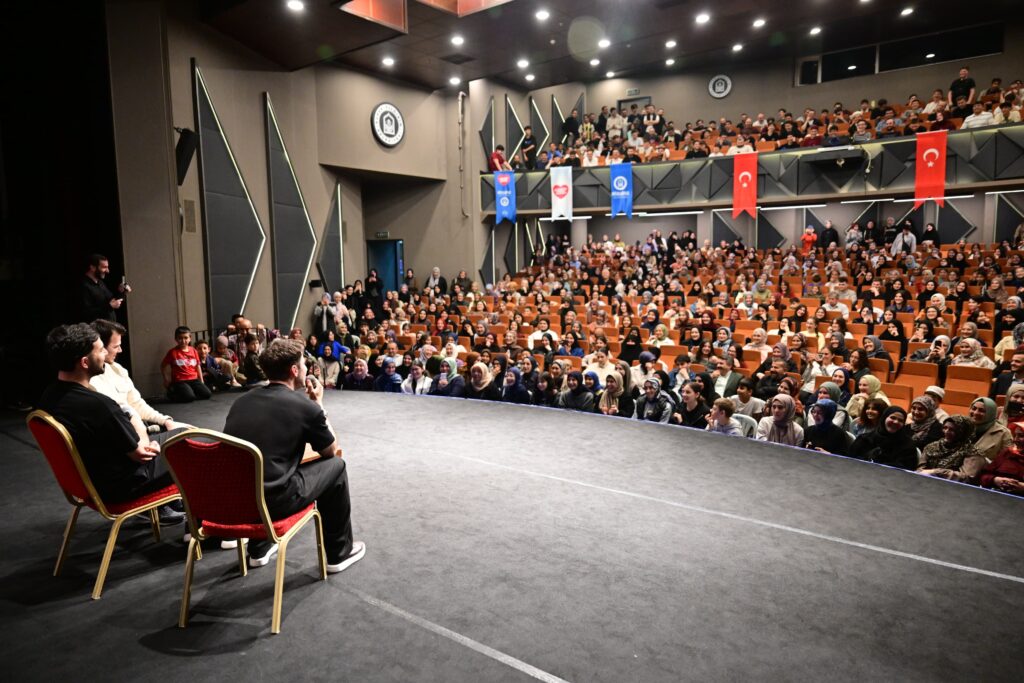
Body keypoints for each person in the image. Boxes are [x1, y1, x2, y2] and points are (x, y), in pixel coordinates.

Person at [223, 338, 364, 573]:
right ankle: (339, 553)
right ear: (294, 370)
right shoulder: (304, 406)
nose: (307, 368)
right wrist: (318, 404)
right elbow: (330, 450)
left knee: (266, 467)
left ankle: (259, 547)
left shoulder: (240, 402)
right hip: (275, 502)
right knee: (336, 466)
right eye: (304, 364)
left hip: (237, 501)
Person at [37, 323, 183, 522]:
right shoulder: (99, 406)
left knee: (178, 436)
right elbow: (141, 453)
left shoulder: (49, 396)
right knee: (193, 440)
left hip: (91, 483)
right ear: (85, 362)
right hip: (123, 486)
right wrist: (134, 418)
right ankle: (202, 523)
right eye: (100, 350)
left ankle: (178, 502)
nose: (105, 353)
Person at [917, 416, 984, 483]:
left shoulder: (972, 452)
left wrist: (936, 472)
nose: (946, 432)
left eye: (952, 430)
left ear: (962, 432)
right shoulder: (931, 447)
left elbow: (966, 478)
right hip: (926, 483)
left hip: (954, 487)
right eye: (945, 428)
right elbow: (920, 470)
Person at [848, 406, 918, 470]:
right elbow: (850, 461)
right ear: (884, 418)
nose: (896, 422)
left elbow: (906, 470)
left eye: (900, 420)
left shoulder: (907, 445)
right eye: (893, 418)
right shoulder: (864, 439)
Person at [161, 326, 212, 403]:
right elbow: (163, 366)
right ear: (176, 339)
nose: (183, 341)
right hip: (180, 381)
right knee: (189, 397)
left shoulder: (193, 350)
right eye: (180, 338)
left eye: (185, 338)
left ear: (190, 338)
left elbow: (198, 366)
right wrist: (166, 379)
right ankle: (172, 393)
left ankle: (189, 393)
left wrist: (201, 381)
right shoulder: (172, 352)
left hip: (194, 379)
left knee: (207, 394)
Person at [80, 253, 129, 323]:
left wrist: (122, 292)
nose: (108, 271)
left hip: (109, 325)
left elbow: (112, 302)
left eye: (107, 267)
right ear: (92, 267)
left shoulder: (100, 283)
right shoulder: (84, 286)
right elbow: (86, 312)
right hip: (97, 328)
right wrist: (110, 306)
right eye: (104, 267)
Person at [978, 421, 1024, 495]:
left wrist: (1022, 487)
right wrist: (995, 480)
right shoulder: (1007, 453)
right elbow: (983, 476)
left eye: (1021, 436)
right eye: (1015, 435)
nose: (1015, 440)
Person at [969, 397, 1013, 462]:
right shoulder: (962, 426)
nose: (975, 413)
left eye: (981, 410)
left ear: (991, 413)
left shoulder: (1004, 433)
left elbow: (1007, 460)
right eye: (974, 408)